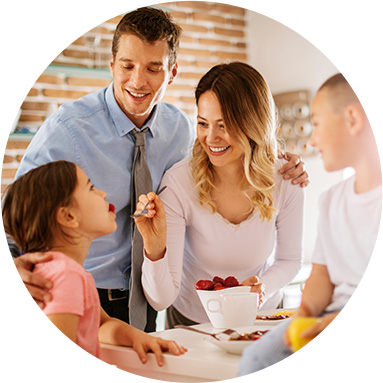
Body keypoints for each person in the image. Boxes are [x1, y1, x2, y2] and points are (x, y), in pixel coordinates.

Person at [11, 7, 308, 331]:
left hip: (145, 295)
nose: (138, 81)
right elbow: (16, 205)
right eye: (127, 66)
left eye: (153, 68)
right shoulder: (69, 129)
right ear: (112, 65)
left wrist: (275, 157)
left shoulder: (179, 129)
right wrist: (13, 262)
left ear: (172, 72)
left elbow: (227, 147)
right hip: (88, 287)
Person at [133, 62, 305, 328]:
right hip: (194, 323)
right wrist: (154, 250)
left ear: (252, 124)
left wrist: (261, 289)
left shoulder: (286, 178)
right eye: (203, 123)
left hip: (262, 318)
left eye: (223, 125)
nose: (210, 137)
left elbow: (290, 260)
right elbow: (160, 301)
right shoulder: (179, 182)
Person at [237, 73, 382, 376]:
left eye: (316, 123)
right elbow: (321, 276)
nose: (312, 140)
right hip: (329, 315)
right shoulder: (332, 200)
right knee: (256, 361)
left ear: (353, 119)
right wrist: (306, 313)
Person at [2, 161, 187, 366]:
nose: (103, 193)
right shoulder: (66, 276)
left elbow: (101, 325)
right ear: (69, 216)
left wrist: (138, 337)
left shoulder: (63, 272)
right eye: (90, 187)